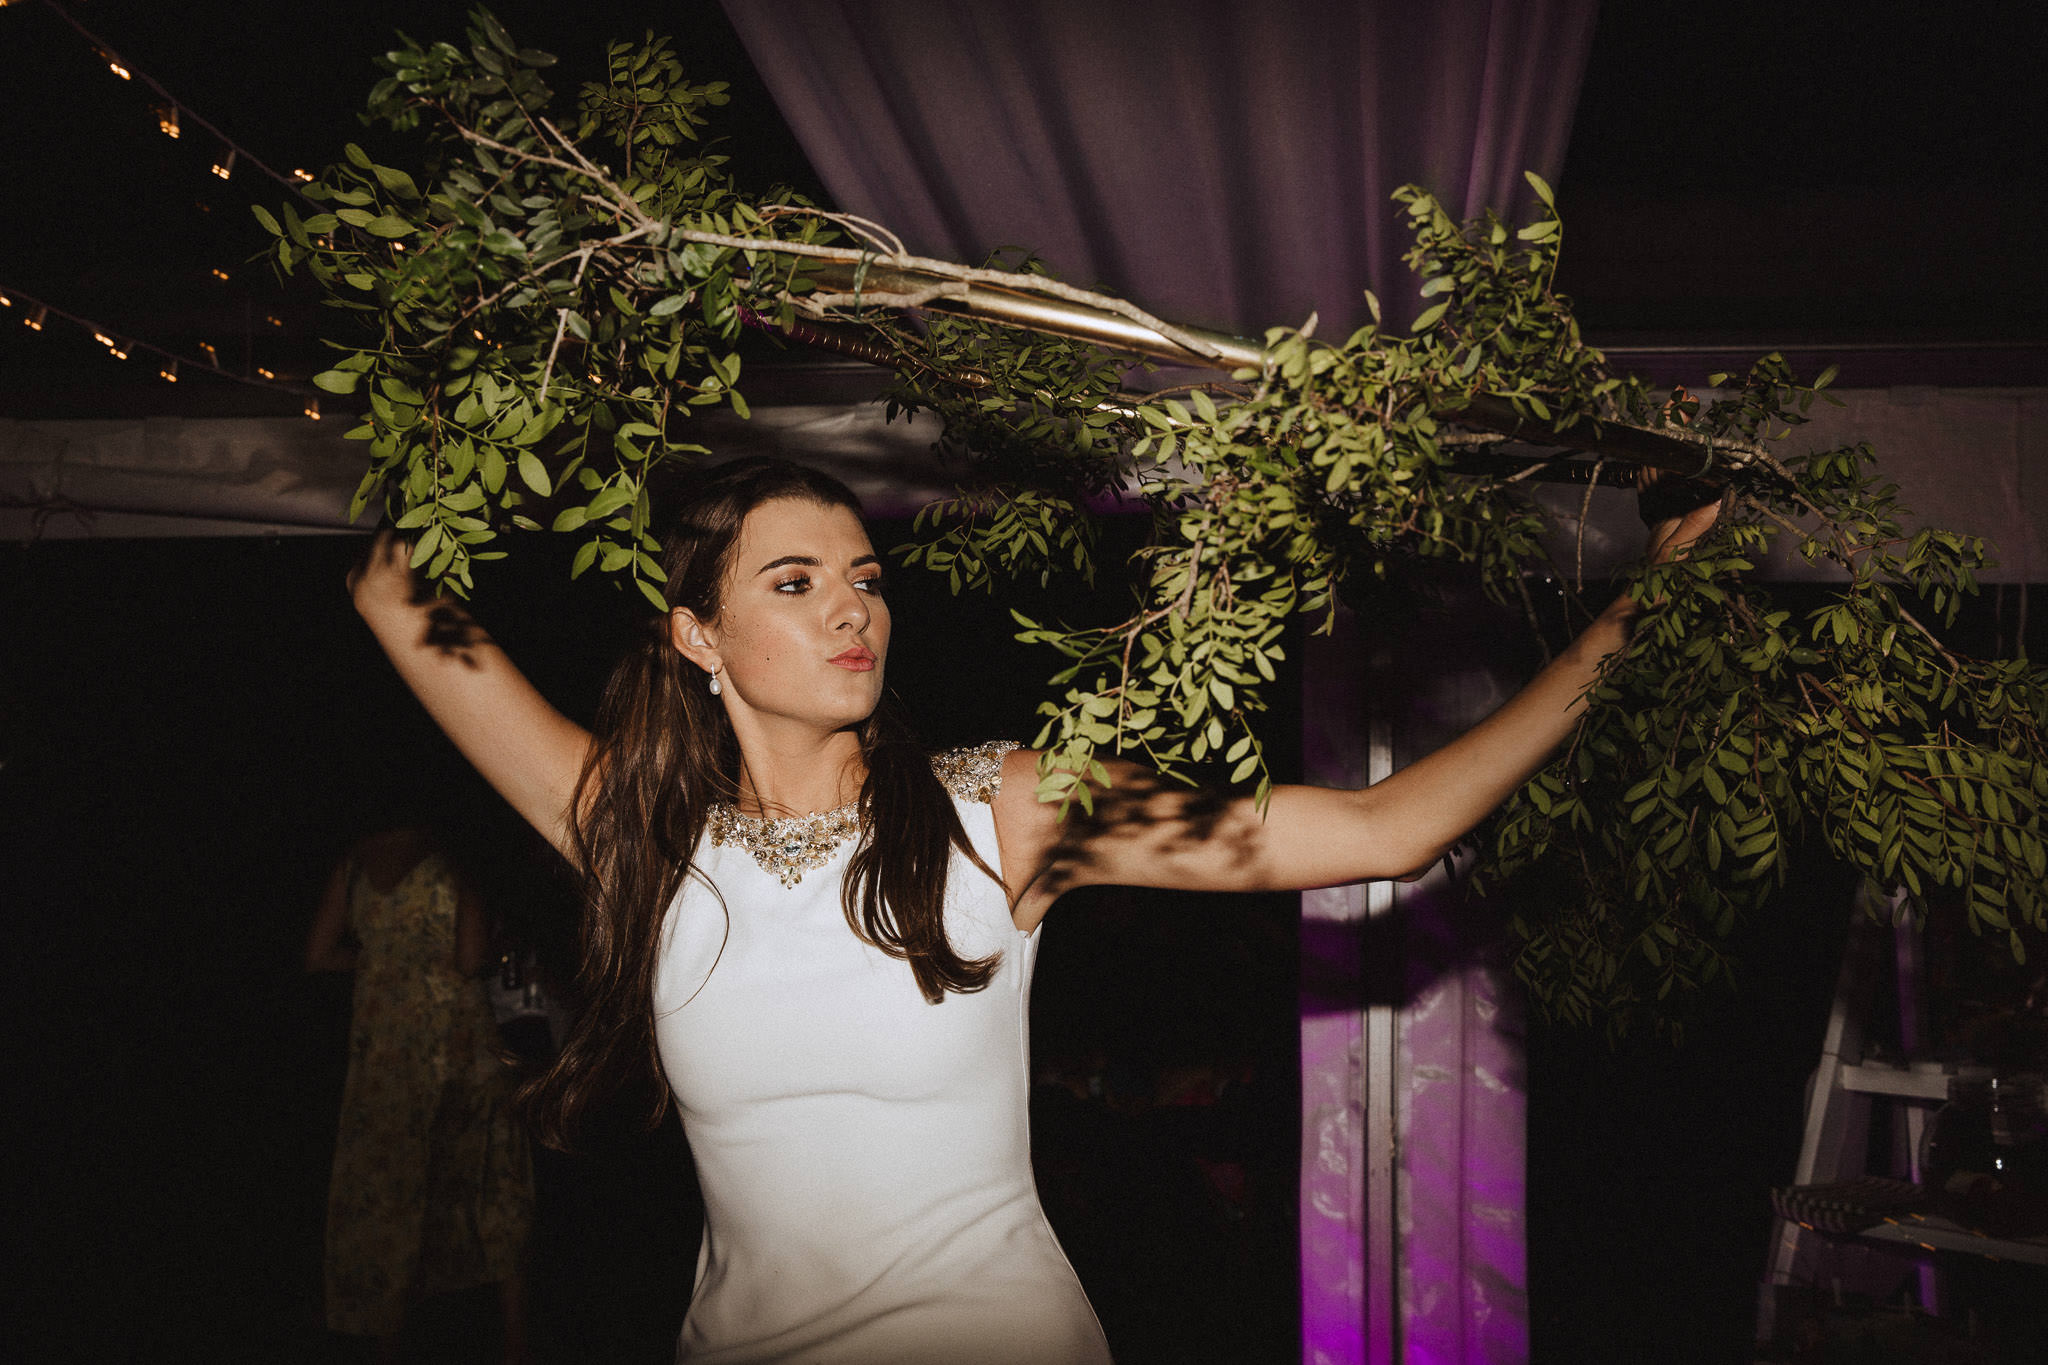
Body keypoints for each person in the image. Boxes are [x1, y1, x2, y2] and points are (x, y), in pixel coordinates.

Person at [348, 456, 1716, 1362]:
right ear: (696, 636)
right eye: (795, 583)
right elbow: (387, 585)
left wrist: (1629, 616)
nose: (853, 614)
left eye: (865, 579)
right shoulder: (640, 842)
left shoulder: (1002, 809)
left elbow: (1378, 826)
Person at [305, 824, 535, 1364]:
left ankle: (390, 1341)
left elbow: (318, 954)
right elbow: (472, 956)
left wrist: (386, 963)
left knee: (389, 1185)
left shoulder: (355, 862)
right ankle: (515, 1338)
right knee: (496, 1175)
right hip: (456, 1041)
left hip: (385, 1050)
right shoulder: (450, 857)